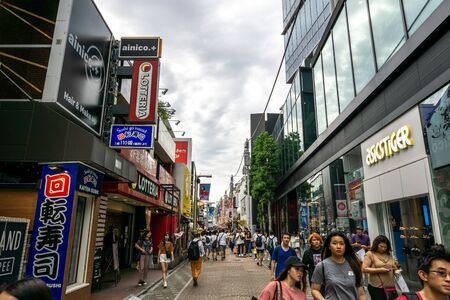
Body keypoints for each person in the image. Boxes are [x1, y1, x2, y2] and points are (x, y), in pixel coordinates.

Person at [311, 231, 367, 300]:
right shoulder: (322, 266)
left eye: (341, 244)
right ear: (329, 246)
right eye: (334, 243)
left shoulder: (354, 265)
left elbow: (361, 294)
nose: (338, 246)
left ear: (345, 246)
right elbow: (315, 289)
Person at [362, 235, 397, 300]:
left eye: (385, 247)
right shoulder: (370, 254)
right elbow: (364, 269)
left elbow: (393, 266)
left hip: (390, 287)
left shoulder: (388, 254)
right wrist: (380, 270)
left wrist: (395, 269)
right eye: (381, 246)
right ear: (376, 245)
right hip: (376, 288)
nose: (383, 249)